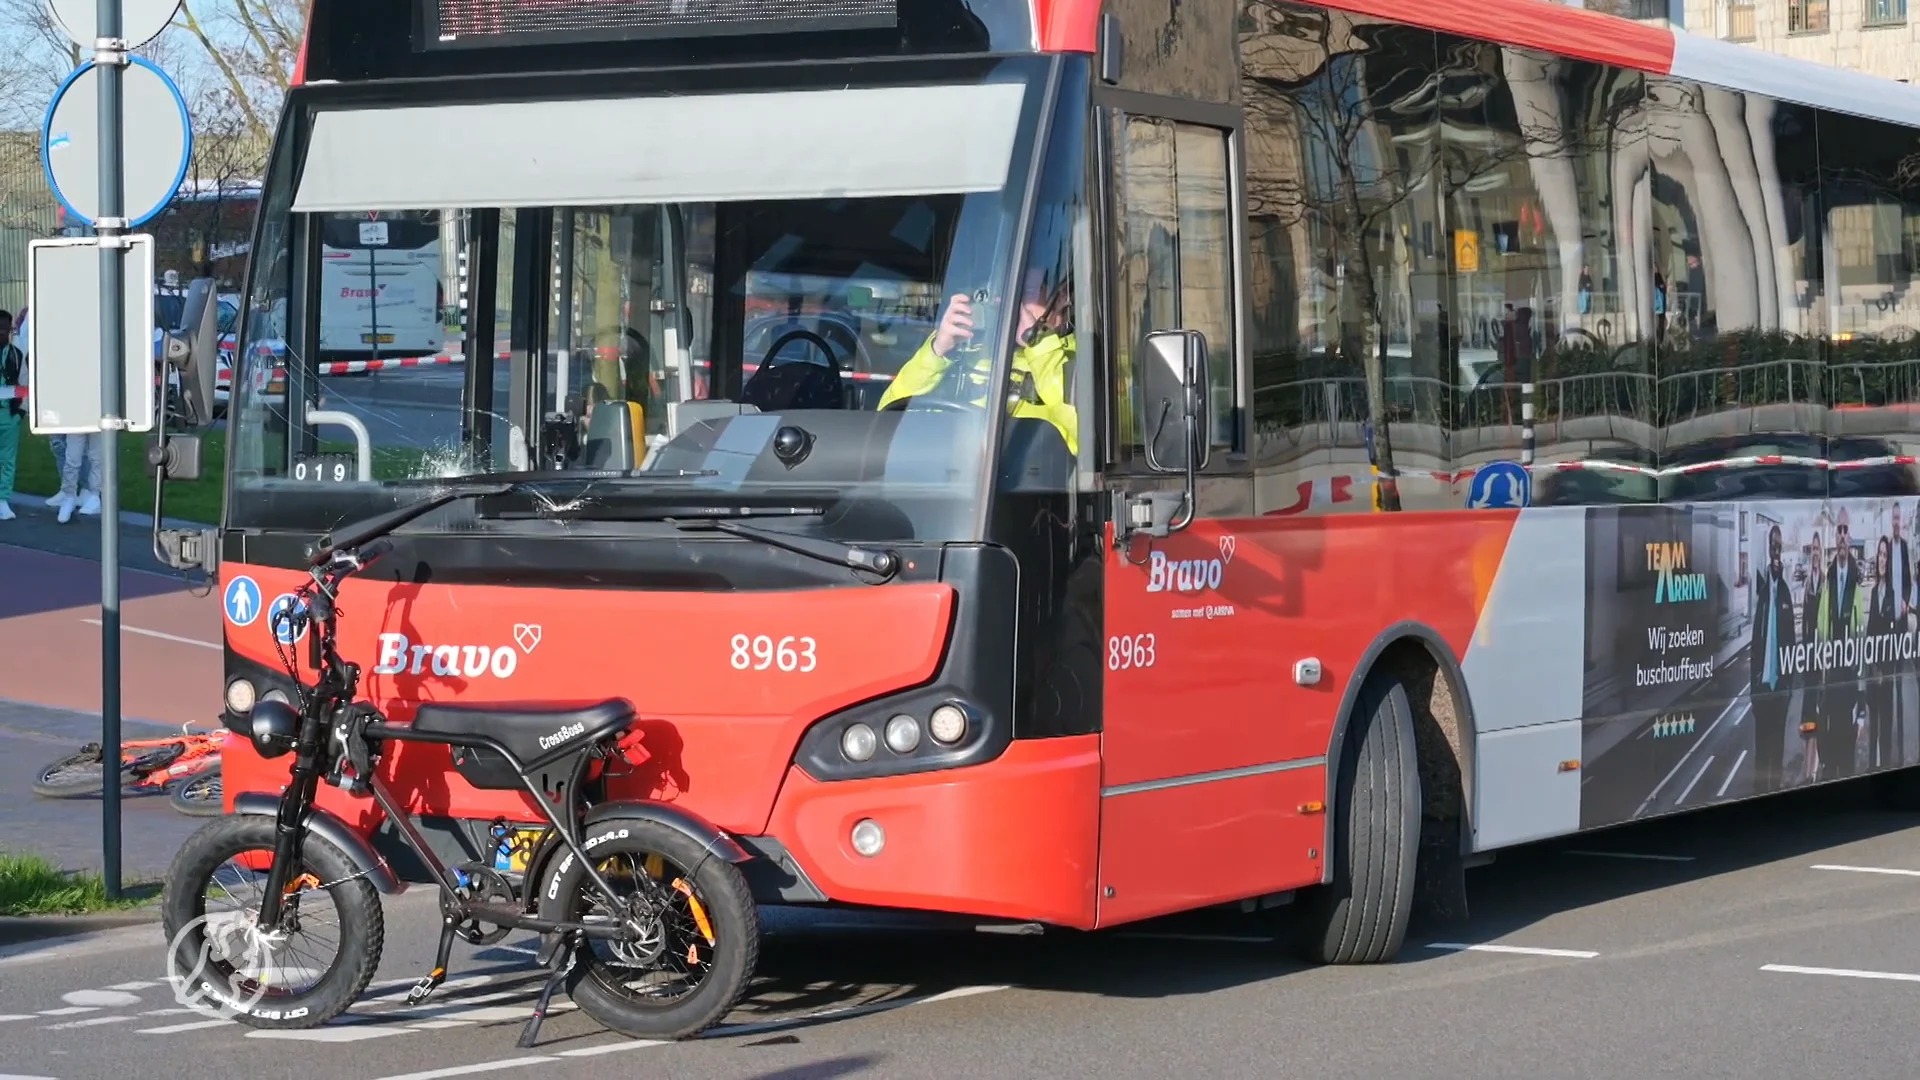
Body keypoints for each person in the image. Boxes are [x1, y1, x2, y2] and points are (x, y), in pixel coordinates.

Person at [875, 272, 1078, 456]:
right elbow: (887, 424)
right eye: (1003, 290)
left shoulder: (1083, 354)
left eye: (1026, 292)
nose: (1010, 301)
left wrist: (1039, 344)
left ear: (1061, 298)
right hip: (950, 485)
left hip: (1026, 490)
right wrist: (937, 351)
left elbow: (1086, 434)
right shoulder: (968, 355)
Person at [1749, 523, 1796, 792]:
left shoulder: (1787, 594)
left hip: (1780, 690)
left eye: (1779, 547)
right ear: (1768, 551)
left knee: (1776, 755)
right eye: (1773, 547)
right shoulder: (1763, 593)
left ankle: (1774, 805)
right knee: (1761, 755)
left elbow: (1791, 642)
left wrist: (1789, 686)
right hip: (1762, 689)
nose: (1776, 552)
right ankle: (1759, 805)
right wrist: (1754, 689)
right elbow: (1756, 645)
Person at [1823, 517, 1863, 780]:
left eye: (1845, 531)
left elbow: (1861, 626)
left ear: (1849, 538)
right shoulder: (1828, 574)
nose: (1841, 536)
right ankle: (1833, 772)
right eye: (1838, 530)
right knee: (1832, 722)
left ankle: (1847, 773)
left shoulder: (1856, 575)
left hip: (1849, 663)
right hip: (1831, 664)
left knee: (1848, 726)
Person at [1868, 534, 1899, 770]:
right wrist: (1873, 668)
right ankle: (1872, 770)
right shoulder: (1873, 593)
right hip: (1873, 674)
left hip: (1887, 677)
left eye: (1885, 555)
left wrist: (1885, 671)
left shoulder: (1893, 594)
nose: (1881, 559)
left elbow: (1896, 638)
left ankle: (1886, 771)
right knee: (1873, 729)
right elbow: (1870, 636)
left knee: (1886, 730)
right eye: (1879, 554)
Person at [0, 310, 21, 520]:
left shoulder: (16, 354)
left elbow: (25, 385)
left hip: (9, 414)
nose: (2, 334)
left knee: (7, 459)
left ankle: (3, 500)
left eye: (6, 330)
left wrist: (20, 413)